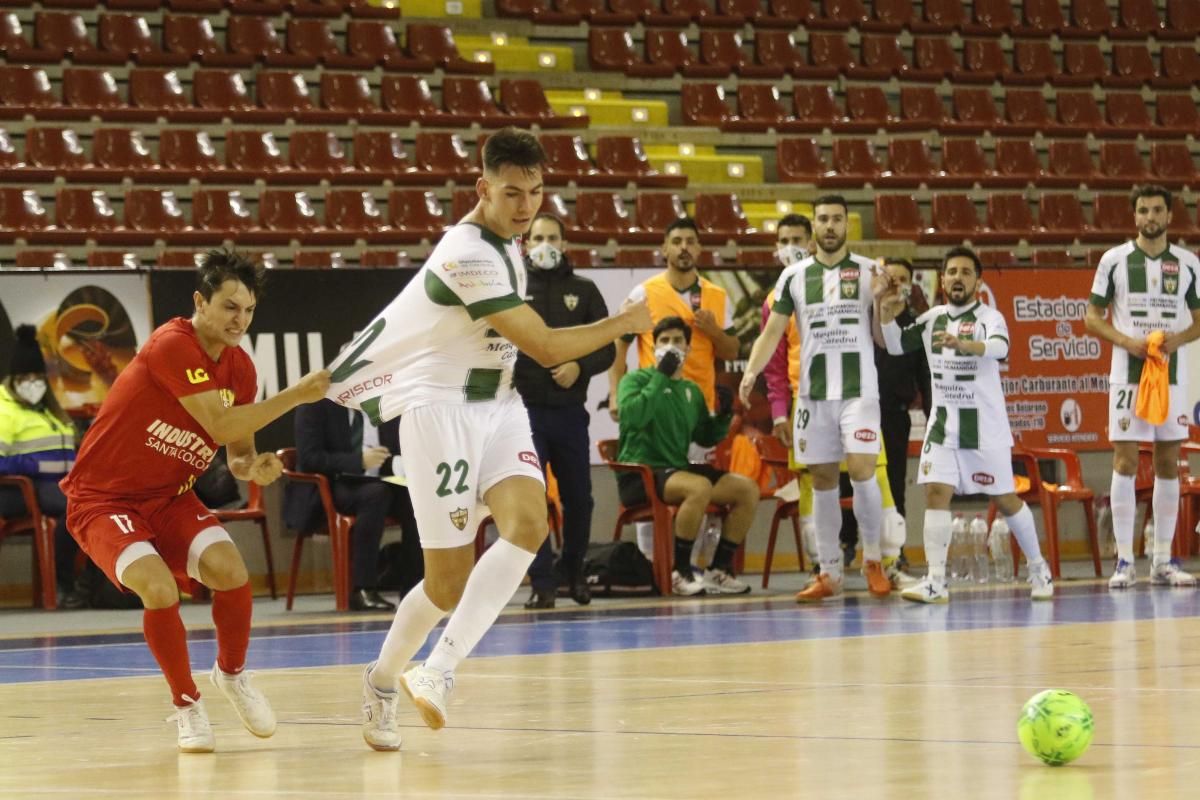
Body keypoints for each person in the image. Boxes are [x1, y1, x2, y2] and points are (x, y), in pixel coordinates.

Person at [325, 127, 651, 751]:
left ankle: (439, 669)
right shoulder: (466, 253)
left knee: (529, 524)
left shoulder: (512, 244)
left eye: (535, 192)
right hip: (439, 410)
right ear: (483, 188)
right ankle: (382, 678)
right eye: (511, 193)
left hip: (498, 404)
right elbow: (547, 345)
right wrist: (622, 324)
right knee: (446, 582)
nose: (525, 206)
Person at [60, 249, 331, 752]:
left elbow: (237, 454)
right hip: (103, 499)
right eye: (230, 307)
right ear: (200, 302)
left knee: (231, 571)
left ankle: (232, 674)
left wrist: (259, 466)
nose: (240, 320)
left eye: (248, 311)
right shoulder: (172, 344)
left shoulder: (242, 370)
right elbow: (221, 424)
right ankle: (187, 705)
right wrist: (296, 395)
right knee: (159, 589)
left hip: (169, 497)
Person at [877, 246, 1054, 603]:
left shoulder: (991, 317)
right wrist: (884, 312)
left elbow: (999, 348)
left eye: (965, 272)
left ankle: (1039, 567)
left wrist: (963, 343)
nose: (958, 278)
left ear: (978, 281)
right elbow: (895, 346)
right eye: (952, 272)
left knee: (1005, 499)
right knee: (935, 493)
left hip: (984, 425)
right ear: (942, 280)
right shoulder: (931, 318)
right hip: (944, 423)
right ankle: (936, 582)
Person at [739, 195, 891, 602]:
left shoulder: (868, 272)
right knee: (822, 480)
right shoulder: (792, 278)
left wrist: (881, 298)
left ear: (846, 226)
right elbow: (771, 332)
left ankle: (873, 558)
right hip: (813, 395)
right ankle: (829, 572)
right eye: (822, 219)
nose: (829, 226)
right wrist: (752, 370)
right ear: (815, 227)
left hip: (858, 391)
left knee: (861, 470)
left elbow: (881, 337)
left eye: (836, 219)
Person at [1084, 184, 1200, 589]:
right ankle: (1124, 562)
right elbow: (1092, 318)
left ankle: (1163, 561)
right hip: (1127, 375)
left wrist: (1177, 340)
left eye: (1157, 210)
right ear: (1134, 217)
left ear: (1170, 216)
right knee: (1125, 462)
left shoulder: (1188, 264)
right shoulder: (1114, 260)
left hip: (1171, 375)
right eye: (1143, 211)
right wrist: (1127, 341)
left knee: (1168, 463)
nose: (1150, 217)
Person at [617, 316, 757, 595]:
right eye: (664, 341)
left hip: (676, 469)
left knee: (747, 489)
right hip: (641, 473)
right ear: (653, 347)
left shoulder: (691, 390)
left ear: (688, 348)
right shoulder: (635, 380)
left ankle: (718, 569)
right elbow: (632, 417)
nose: (671, 346)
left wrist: (725, 414)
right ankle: (679, 572)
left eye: (678, 340)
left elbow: (705, 436)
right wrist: (660, 376)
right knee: (698, 487)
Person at [515, 213, 614, 609]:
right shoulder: (513, 288)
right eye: (538, 237)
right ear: (525, 243)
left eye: (553, 237)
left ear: (565, 242)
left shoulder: (584, 290)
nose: (545, 244)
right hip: (523, 415)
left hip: (570, 413)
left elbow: (607, 345)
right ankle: (542, 582)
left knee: (580, 498)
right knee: (533, 498)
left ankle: (572, 571)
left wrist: (580, 367)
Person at [287, 398, 423, 611]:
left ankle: (415, 589)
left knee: (416, 497)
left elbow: (399, 447)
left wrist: (398, 462)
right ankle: (363, 589)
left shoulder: (386, 403)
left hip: (383, 480)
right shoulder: (314, 404)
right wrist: (358, 461)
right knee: (376, 495)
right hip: (335, 483)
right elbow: (310, 458)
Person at [607, 216, 739, 417]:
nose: (684, 247)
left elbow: (732, 352)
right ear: (664, 249)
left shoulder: (717, 295)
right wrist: (616, 394)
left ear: (699, 248)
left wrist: (714, 333)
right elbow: (619, 344)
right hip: (656, 405)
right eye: (677, 242)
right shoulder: (643, 293)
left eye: (690, 241)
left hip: (701, 406)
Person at [0, 324, 86, 608]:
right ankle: (64, 584)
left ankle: (93, 584)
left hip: (59, 485)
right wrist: (34, 464)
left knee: (97, 505)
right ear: (13, 379)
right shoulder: (4, 409)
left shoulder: (52, 411)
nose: (33, 383)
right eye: (26, 377)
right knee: (74, 507)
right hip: (18, 491)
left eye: (38, 376)